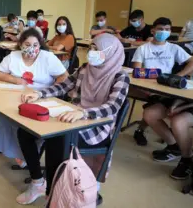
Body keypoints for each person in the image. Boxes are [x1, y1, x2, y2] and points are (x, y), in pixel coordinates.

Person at [17, 33, 130, 205]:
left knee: (56, 138)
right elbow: (64, 86)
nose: (91, 52)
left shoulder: (120, 77)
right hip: (73, 115)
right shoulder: (85, 69)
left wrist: (84, 113)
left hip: (97, 125)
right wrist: (39, 94)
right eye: (91, 47)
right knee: (25, 131)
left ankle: (52, 195)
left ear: (110, 53)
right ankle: (38, 182)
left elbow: (113, 107)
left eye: (96, 49)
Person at [0, 29, 68, 168]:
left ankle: (26, 155)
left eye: (35, 44)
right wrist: (16, 80)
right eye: (27, 44)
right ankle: (17, 152)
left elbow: (64, 76)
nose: (31, 48)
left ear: (40, 45)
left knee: (23, 123)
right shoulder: (13, 56)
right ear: (20, 44)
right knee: (3, 116)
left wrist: (50, 91)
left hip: (41, 98)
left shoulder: (47, 57)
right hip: (17, 95)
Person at [131, 17, 193, 146]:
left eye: (167, 29)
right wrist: (151, 77)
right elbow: (137, 70)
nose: (164, 32)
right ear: (153, 31)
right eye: (160, 29)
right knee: (156, 102)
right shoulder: (143, 49)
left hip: (167, 85)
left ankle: (143, 130)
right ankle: (164, 136)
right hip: (147, 85)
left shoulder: (173, 48)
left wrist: (178, 76)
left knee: (158, 103)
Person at [144, 58, 193, 179]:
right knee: (150, 113)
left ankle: (187, 160)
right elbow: (191, 89)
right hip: (189, 100)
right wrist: (175, 105)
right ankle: (174, 147)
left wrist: (180, 108)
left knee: (178, 122)